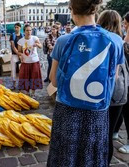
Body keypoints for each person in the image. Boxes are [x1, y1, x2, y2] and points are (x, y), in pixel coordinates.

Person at [47, 0, 125, 166]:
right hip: (97, 111)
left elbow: (53, 80)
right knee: (92, 155)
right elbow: (115, 77)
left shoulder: (63, 40)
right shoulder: (116, 40)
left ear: (72, 11)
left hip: (67, 109)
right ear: (95, 10)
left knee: (65, 155)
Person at [97, 9, 126, 164]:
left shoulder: (103, 41)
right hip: (120, 92)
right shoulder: (121, 41)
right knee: (108, 132)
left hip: (108, 92)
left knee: (103, 133)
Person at [112, 11, 129, 154]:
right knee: (121, 108)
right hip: (125, 83)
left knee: (126, 110)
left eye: (125, 22)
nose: (123, 24)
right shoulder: (122, 40)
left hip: (126, 82)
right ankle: (115, 131)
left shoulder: (123, 41)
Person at [17, 24, 43, 98]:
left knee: (34, 77)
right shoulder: (21, 41)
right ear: (24, 31)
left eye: (30, 30)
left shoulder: (35, 38)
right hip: (25, 62)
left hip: (34, 61)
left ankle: (33, 93)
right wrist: (21, 55)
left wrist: (37, 44)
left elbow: (41, 46)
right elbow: (19, 51)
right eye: (27, 30)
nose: (29, 32)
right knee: (25, 77)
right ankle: (27, 93)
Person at [9, 23, 23, 89]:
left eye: (17, 27)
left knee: (21, 70)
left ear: (20, 28)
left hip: (22, 55)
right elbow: (13, 46)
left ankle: (20, 83)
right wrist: (18, 53)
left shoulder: (22, 35)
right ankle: (14, 84)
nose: (16, 29)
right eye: (15, 27)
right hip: (14, 55)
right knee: (13, 69)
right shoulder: (12, 35)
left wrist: (21, 55)